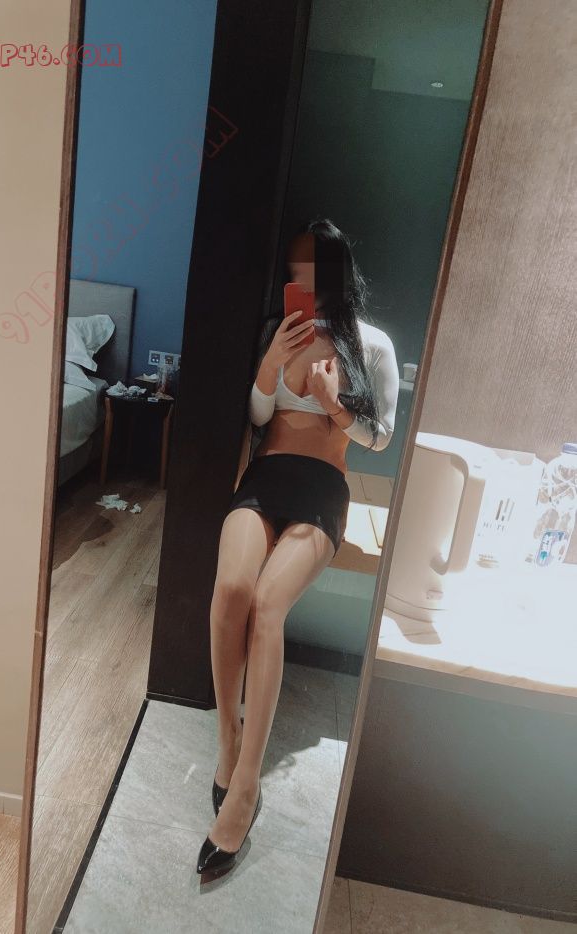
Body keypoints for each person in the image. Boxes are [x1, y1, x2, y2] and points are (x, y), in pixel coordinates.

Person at [196, 218, 399, 875]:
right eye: (295, 268)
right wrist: (269, 365)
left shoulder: (372, 344)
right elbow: (258, 417)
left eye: (313, 266)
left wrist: (335, 405)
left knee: (267, 605)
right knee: (231, 590)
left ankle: (246, 785)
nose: (302, 278)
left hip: (322, 489)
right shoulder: (281, 331)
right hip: (266, 477)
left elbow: (380, 437)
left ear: (337, 268)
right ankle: (228, 743)